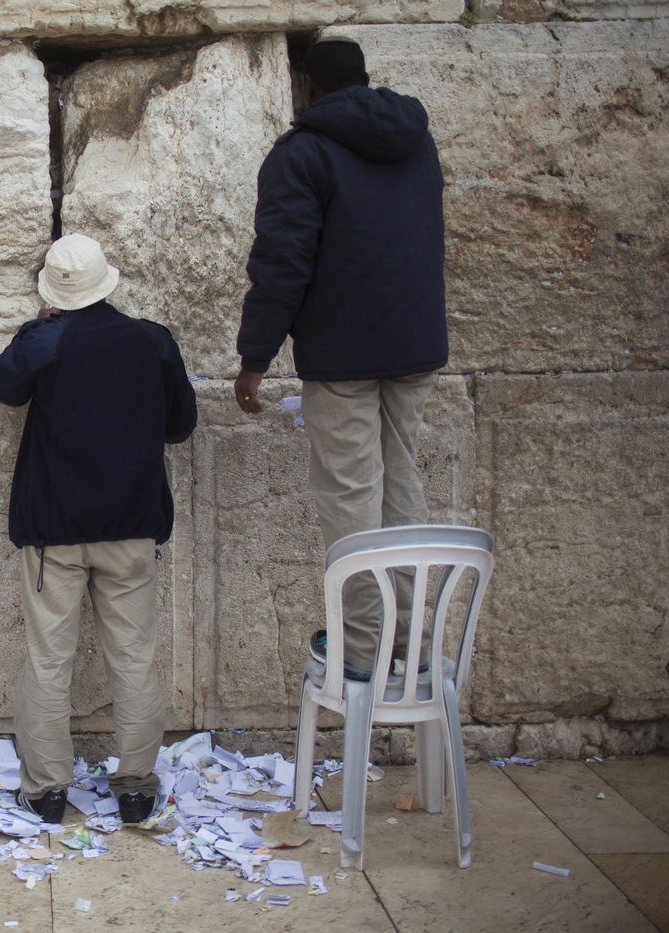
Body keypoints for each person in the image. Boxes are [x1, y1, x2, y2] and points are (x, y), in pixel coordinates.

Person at [233, 36, 449, 679]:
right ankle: (407, 643)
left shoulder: (302, 152)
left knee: (352, 500)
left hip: (343, 354)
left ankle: (361, 652)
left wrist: (255, 357)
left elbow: (283, 263)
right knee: (402, 489)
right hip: (413, 346)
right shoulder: (417, 140)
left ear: (307, 86)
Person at [0, 234, 197, 824]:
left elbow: (1, 384)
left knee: (48, 660)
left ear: (54, 292)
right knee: (133, 659)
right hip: (131, 524)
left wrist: (35, 327)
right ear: (107, 280)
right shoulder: (153, 340)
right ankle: (136, 788)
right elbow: (180, 425)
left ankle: (47, 790)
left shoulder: (46, 339)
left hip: (53, 530)